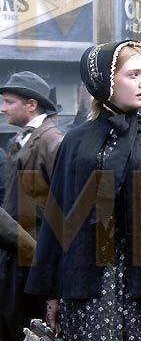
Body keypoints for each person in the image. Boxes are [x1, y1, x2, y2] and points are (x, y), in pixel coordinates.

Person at [25, 40, 141, 340]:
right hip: (87, 285)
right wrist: (51, 292)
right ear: (105, 81)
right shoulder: (75, 142)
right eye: (133, 74)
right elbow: (58, 216)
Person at [0, 71, 64, 341]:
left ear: (31, 104)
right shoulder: (20, 140)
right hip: (15, 257)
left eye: (9, 102)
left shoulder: (52, 141)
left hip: (35, 260)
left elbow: (63, 208)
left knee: (32, 331)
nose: (3, 108)